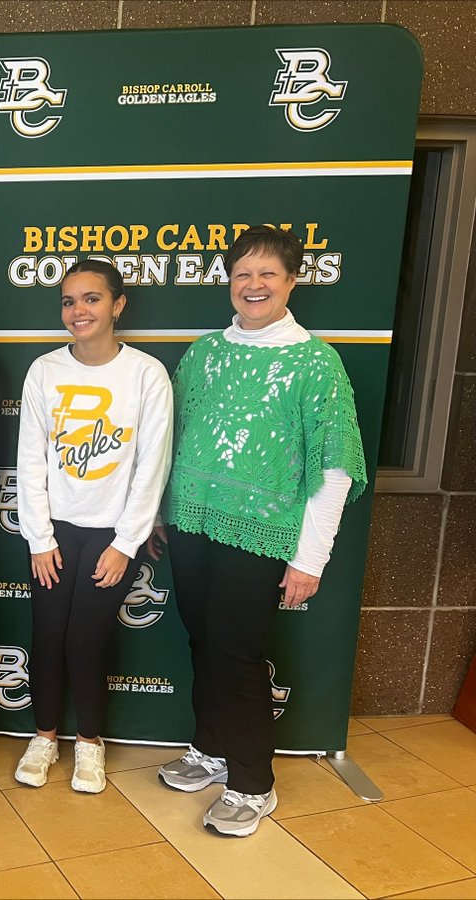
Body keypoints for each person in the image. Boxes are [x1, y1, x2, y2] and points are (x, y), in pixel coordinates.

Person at [148, 225, 367, 837]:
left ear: (292, 281)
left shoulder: (316, 362)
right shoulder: (205, 353)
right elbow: (174, 437)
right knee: (202, 641)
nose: (254, 285)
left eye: (268, 273)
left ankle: (252, 782)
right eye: (243, 273)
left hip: (263, 534)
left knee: (236, 653)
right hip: (192, 524)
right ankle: (212, 750)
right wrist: (161, 513)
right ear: (229, 281)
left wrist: (311, 560)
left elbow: (336, 469)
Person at [14, 259, 173, 795]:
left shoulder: (147, 374)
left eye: (91, 299)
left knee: (86, 642)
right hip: (55, 531)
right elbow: (30, 461)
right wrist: (39, 538)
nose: (78, 311)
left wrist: (126, 544)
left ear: (117, 304)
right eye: (68, 301)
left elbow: (152, 466)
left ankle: (89, 744)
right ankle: (43, 737)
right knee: (47, 638)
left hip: (111, 535)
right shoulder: (44, 371)